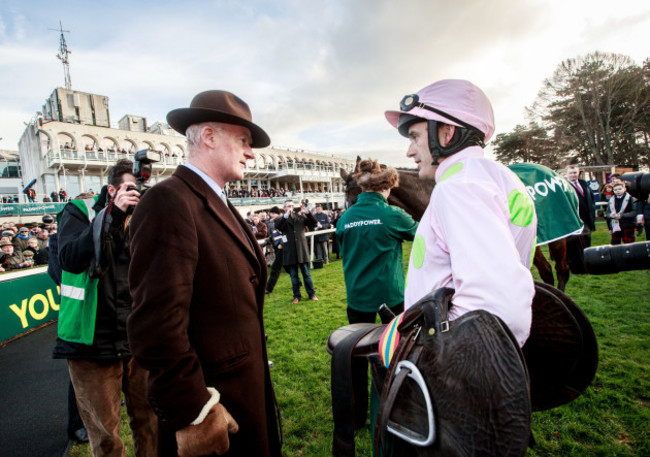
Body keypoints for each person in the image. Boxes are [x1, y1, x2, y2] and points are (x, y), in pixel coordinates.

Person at [127, 90, 282, 457]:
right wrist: (193, 412)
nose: (250, 152)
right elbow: (156, 325)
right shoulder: (169, 201)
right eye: (243, 141)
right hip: (213, 407)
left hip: (242, 394)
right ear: (209, 137)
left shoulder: (216, 200)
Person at [385, 79, 537, 347]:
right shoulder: (493, 176)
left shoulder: (459, 187)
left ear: (446, 133)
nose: (409, 151)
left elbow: (498, 307)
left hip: (455, 367)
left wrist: (435, 349)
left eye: (415, 137)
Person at [52, 160, 157, 457]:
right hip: (92, 343)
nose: (136, 196)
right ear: (111, 190)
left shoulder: (141, 218)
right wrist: (112, 214)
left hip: (137, 340)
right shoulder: (80, 212)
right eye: (129, 190)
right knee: (107, 438)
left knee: (151, 424)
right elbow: (70, 258)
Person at [335, 158, 418, 428]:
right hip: (391, 300)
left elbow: (344, 252)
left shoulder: (345, 218)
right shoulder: (392, 214)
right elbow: (424, 235)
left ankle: (357, 417)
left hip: (357, 299)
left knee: (357, 359)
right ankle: (399, 407)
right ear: (385, 188)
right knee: (398, 354)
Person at [275, 199, 319, 303]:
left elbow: (313, 222)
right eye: (288, 206)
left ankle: (312, 294)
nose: (290, 207)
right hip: (290, 251)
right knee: (294, 276)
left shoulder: (300, 217)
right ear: (284, 208)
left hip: (301, 250)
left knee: (306, 274)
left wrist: (307, 212)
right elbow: (278, 226)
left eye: (292, 205)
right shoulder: (281, 219)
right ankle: (296, 296)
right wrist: (286, 215)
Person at [566, 162, 596, 247]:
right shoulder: (564, 186)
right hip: (575, 222)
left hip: (587, 221)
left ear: (578, 172)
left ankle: (588, 259)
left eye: (575, 172)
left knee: (587, 244)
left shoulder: (584, 183)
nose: (573, 175)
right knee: (577, 247)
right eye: (570, 173)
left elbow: (591, 200)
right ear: (566, 174)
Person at [265, 206, 286, 295]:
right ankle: (298, 282)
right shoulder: (273, 222)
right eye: (271, 214)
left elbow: (285, 234)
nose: (271, 215)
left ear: (278, 213)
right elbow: (274, 234)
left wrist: (282, 244)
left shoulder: (282, 221)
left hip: (282, 248)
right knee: (289, 268)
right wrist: (268, 240)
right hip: (277, 247)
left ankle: (268, 288)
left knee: (275, 268)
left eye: (273, 214)